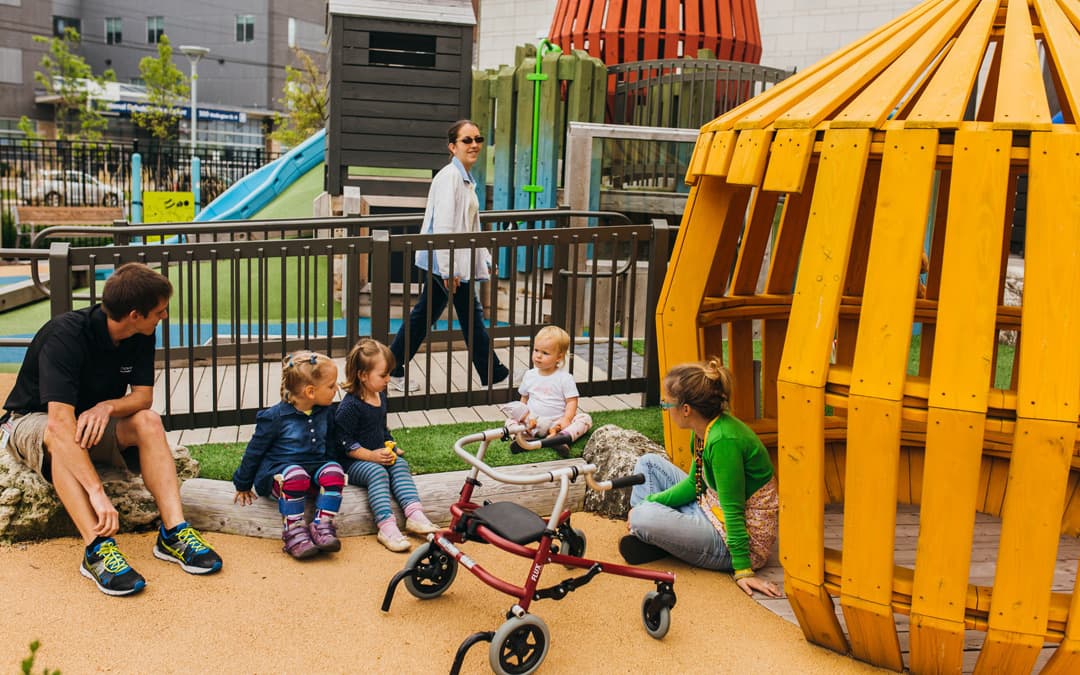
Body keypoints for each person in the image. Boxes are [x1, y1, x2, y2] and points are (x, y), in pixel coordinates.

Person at [1, 262, 222, 596]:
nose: (164, 316)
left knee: (148, 421)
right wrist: (97, 492)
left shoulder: (141, 333)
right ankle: (97, 547)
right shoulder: (65, 336)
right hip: (33, 419)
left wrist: (106, 407)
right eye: (159, 311)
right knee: (63, 437)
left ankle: (173, 532)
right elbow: (59, 423)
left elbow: (143, 398)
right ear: (134, 314)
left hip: (88, 420)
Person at [620, 358, 781, 598]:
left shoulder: (724, 441)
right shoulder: (703, 429)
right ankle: (661, 538)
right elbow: (695, 484)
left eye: (666, 403)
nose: (665, 408)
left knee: (643, 516)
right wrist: (650, 501)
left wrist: (743, 570)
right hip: (709, 506)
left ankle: (657, 537)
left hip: (734, 540)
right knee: (648, 464)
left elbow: (733, 510)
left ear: (686, 410)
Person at [387, 119, 509, 393]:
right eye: (467, 140)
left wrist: (484, 257)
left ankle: (390, 368)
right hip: (446, 262)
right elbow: (443, 226)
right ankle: (494, 374)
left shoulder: (464, 178)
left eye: (478, 139)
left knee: (428, 317)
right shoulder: (450, 178)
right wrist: (448, 269)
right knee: (464, 317)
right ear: (452, 147)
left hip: (451, 261)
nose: (474, 145)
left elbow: (470, 226)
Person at [232, 351, 346, 560]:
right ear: (310, 391)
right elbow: (254, 451)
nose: (336, 389)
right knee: (296, 474)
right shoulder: (275, 417)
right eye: (331, 386)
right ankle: (293, 531)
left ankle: (322, 524)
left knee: (334, 470)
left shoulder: (325, 412)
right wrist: (243, 483)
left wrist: (333, 472)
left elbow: (330, 445)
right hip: (280, 476)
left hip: (312, 473)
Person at [335, 338, 440, 552]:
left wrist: (391, 445)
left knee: (400, 464)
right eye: (383, 375)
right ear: (363, 375)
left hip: (377, 454)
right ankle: (386, 525)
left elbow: (381, 427)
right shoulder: (350, 406)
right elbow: (343, 442)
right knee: (377, 473)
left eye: (389, 373)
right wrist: (371, 456)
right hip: (351, 462)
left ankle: (414, 514)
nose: (388, 379)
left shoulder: (380, 395)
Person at [500, 325, 592, 459]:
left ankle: (559, 438)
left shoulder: (565, 378)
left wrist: (566, 419)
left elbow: (572, 401)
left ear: (559, 357)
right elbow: (524, 399)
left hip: (556, 424)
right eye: (536, 350)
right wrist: (523, 417)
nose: (538, 356)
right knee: (510, 421)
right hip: (532, 423)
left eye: (545, 353)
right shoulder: (530, 375)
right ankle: (523, 439)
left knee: (584, 419)